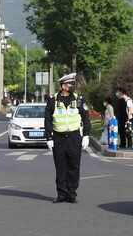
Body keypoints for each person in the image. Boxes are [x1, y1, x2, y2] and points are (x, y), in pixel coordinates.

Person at [45, 73, 91, 204]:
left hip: (74, 137)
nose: (71, 86)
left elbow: (86, 118)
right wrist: (49, 137)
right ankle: (61, 194)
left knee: (74, 166)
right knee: (60, 167)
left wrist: (86, 135)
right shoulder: (52, 100)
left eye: (72, 84)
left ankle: (71, 194)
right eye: (69, 84)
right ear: (63, 86)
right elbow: (47, 120)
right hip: (58, 138)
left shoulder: (79, 100)